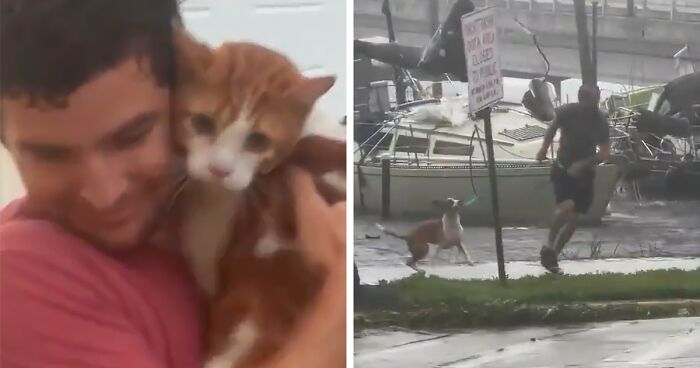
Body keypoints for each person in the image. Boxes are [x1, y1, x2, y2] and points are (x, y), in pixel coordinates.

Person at [0, 1, 345, 367]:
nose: (105, 195)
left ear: (177, 95)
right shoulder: (21, 277)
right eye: (52, 156)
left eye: (131, 137)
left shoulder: (191, 210)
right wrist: (338, 308)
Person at [536, 85, 610, 273]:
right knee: (565, 207)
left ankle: (552, 258)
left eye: (597, 100)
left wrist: (583, 165)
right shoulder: (567, 111)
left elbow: (604, 153)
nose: (594, 105)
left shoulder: (600, 120)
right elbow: (552, 128)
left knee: (574, 220)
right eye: (591, 101)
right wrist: (544, 148)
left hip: (584, 174)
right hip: (563, 167)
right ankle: (548, 244)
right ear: (582, 99)